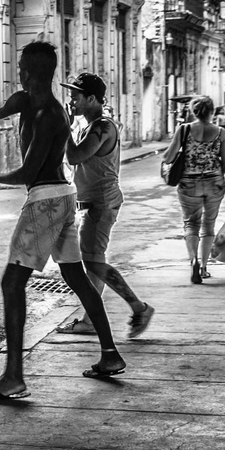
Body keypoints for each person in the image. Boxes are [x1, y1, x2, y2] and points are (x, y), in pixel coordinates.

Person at [0, 42, 125, 401]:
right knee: (76, 277)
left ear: (28, 72)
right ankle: (109, 355)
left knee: (12, 283)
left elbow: (30, 171)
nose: (19, 72)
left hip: (45, 199)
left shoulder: (50, 116)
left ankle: (14, 377)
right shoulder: (24, 101)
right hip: (62, 197)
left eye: (21, 67)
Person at [55, 74, 155, 337]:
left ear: (91, 99)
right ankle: (90, 320)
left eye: (76, 96)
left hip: (101, 202)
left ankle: (138, 307)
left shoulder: (104, 127)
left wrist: (65, 127)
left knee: (93, 262)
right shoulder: (91, 126)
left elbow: (75, 155)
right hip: (92, 203)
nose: (71, 101)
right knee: (93, 260)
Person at [163, 94, 225, 284]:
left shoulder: (183, 130)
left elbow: (167, 157)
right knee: (208, 226)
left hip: (189, 184)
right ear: (212, 112)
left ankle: (193, 260)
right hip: (215, 183)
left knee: (191, 224)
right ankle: (204, 267)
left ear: (194, 111)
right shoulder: (221, 132)